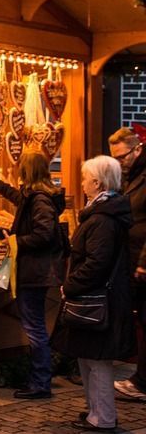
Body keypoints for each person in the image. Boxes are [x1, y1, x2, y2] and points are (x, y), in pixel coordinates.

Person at [52, 155, 135, 432]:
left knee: (97, 361)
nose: (83, 183)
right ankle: (95, 412)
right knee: (87, 357)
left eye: (86, 178)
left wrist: (71, 285)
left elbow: (96, 263)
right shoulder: (102, 213)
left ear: (97, 182)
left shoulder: (103, 219)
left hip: (98, 300)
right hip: (96, 298)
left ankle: (103, 418)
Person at [0, 151, 67, 399]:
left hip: (36, 271)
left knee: (35, 327)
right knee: (35, 325)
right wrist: (0, 186)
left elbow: (43, 234)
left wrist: (16, 241)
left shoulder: (40, 200)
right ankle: (39, 378)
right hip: (36, 270)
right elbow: (22, 201)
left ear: (27, 171)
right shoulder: (37, 196)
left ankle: (40, 382)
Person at [109, 128, 146, 402]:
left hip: (140, 259)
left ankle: (142, 381)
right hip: (130, 257)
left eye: (122, 157)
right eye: (115, 158)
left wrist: (144, 261)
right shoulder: (130, 175)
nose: (119, 162)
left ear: (136, 149)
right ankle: (140, 377)